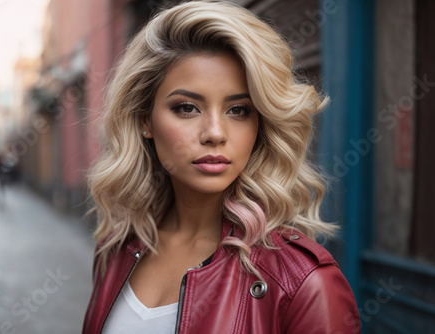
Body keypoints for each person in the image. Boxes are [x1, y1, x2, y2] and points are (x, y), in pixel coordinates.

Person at [83, 1, 361, 333]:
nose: (215, 133)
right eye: (187, 108)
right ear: (146, 120)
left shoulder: (303, 282)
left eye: (238, 110)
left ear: (261, 123)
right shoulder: (116, 248)